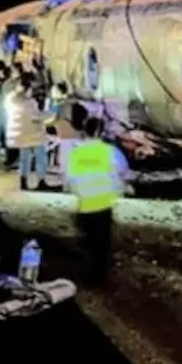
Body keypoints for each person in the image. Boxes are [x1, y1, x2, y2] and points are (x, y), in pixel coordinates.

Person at [66, 115, 129, 285]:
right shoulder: (109, 151)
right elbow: (123, 171)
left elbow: (69, 177)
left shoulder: (76, 152)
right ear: (101, 132)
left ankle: (85, 274)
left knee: (86, 241)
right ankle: (98, 277)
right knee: (101, 244)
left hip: (85, 203)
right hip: (103, 204)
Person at [6, 73, 48, 191]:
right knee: (40, 156)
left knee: (24, 158)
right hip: (33, 134)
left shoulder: (11, 99)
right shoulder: (28, 103)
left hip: (20, 134)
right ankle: (41, 181)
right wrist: (50, 114)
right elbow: (35, 117)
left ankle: (23, 181)